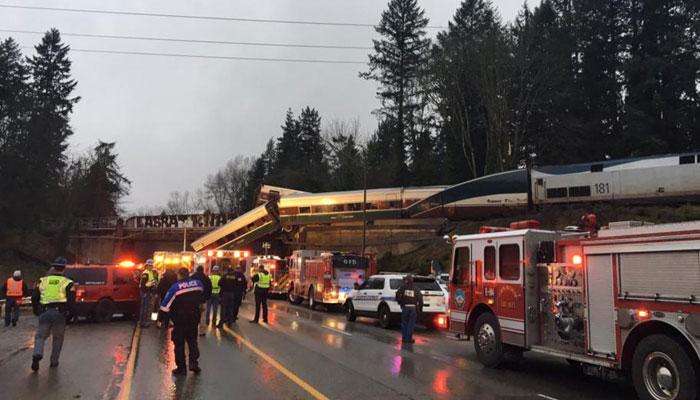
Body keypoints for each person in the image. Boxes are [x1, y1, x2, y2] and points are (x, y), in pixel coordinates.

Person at [31, 257, 75, 371]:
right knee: (58, 339)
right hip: (59, 314)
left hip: (44, 312)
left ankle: (37, 353)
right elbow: (71, 301)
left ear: (53, 267)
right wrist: (71, 315)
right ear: (64, 268)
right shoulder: (68, 282)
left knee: (40, 336)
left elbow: (34, 297)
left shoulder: (42, 281)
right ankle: (54, 362)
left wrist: (36, 310)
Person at [160, 267, 204, 375]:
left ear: (179, 275)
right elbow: (202, 295)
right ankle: (194, 363)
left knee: (179, 344)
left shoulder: (175, 288)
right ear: (188, 274)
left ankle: (181, 368)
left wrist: (163, 318)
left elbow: (165, 306)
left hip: (180, 320)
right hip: (194, 318)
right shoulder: (198, 284)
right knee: (193, 341)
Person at [395, 274, 422, 344]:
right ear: (412, 280)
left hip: (405, 307)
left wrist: (400, 302)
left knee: (404, 323)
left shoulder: (403, 288)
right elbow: (420, 299)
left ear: (406, 280)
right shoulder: (416, 288)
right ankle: (408, 338)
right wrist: (420, 308)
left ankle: (404, 338)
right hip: (413, 308)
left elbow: (397, 294)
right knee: (411, 324)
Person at [191, 266, 212, 336]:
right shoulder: (206, 278)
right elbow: (209, 288)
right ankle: (202, 332)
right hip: (203, 301)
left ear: (196, 270)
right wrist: (207, 298)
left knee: (193, 315)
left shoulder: (192, 277)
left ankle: (192, 330)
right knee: (202, 316)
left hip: (193, 301)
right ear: (203, 270)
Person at [138, 259, 158, 328]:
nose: (151, 267)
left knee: (147, 307)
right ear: (146, 266)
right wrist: (145, 293)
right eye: (149, 265)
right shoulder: (145, 273)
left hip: (148, 291)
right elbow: (143, 285)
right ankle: (142, 323)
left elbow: (151, 282)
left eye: (151, 265)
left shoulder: (150, 272)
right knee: (144, 308)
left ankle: (145, 322)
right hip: (145, 292)